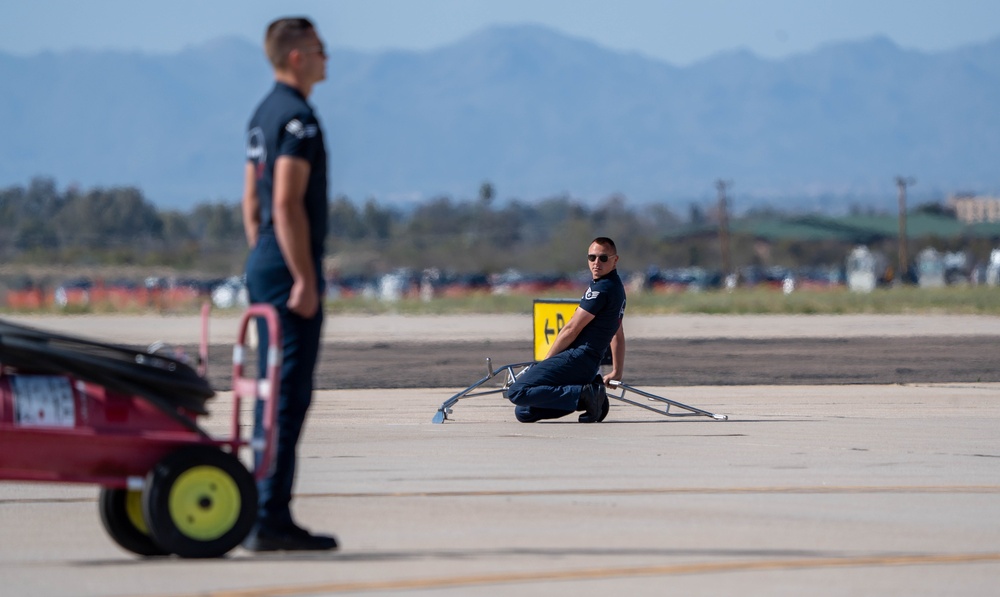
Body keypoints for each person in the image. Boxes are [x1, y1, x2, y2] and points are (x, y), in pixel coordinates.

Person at [240, 17, 336, 552]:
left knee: (269, 390)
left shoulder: (263, 113)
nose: (328, 58)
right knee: (287, 394)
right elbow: (283, 202)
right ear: (297, 55)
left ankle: (265, 508)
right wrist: (300, 274)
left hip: (266, 262)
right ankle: (269, 518)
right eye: (320, 50)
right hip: (288, 268)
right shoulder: (298, 119)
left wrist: (265, 253)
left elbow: (251, 204)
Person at [507, 237, 626, 423]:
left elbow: (571, 329)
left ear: (615, 260)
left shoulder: (601, 289)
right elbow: (617, 333)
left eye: (603, 258)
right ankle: (591, 399)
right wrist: (617, 371)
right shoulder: (616, 287)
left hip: (578, 358)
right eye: (592, 257)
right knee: (524, 412)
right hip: (588, 364)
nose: (596, 263)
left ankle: (584, 395)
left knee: (517, 391)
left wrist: (546, 361)